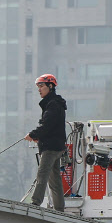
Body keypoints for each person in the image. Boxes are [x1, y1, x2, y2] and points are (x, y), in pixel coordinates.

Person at [24, 73, 67, 212]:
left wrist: (33, 134)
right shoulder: (55, 103)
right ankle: (59, 208)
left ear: (50, 86)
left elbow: (47, 125)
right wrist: (39, 136)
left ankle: (35, 203)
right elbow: (51, 126)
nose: (39, 89)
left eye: (41, 86)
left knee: (42, 174)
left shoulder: (52, 104)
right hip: (56, 146)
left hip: (50, 147)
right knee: (54, 180)